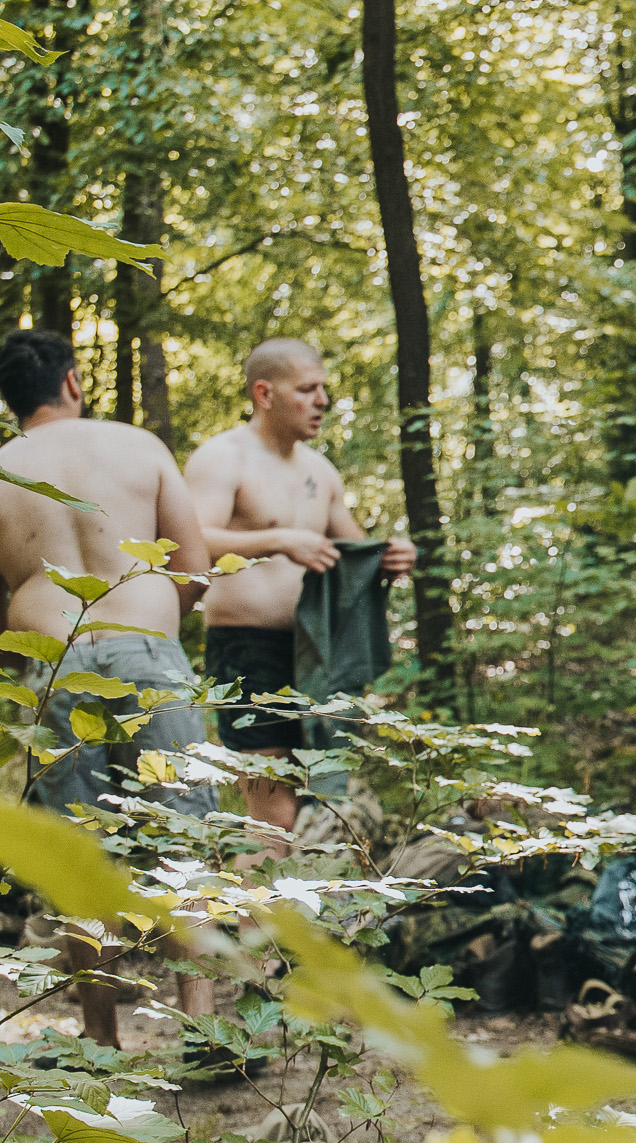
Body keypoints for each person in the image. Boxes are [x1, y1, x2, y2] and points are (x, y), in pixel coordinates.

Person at [0, 328, 219, 1050]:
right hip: (150, 653)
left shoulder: (5, 466)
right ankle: (202, 1027)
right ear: (71, 382)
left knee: (77, 858)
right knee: (180, 837)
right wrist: (148, 629)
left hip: (54, 663)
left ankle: (100, 1041)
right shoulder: (138, 446)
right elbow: (193, 569)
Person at [184, 339, 414, 858]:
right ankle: (250, 935)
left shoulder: (320, 472)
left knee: (328, 798)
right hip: (246, 649)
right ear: (264, 393)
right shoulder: (223, 458)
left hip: (318, 656)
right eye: (307, 389)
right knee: (274, 812)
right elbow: (191, 540)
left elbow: (353, 555)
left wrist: (391, 559)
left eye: (324, 388)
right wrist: (279, 539)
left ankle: (291, 928)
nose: (323, 400)